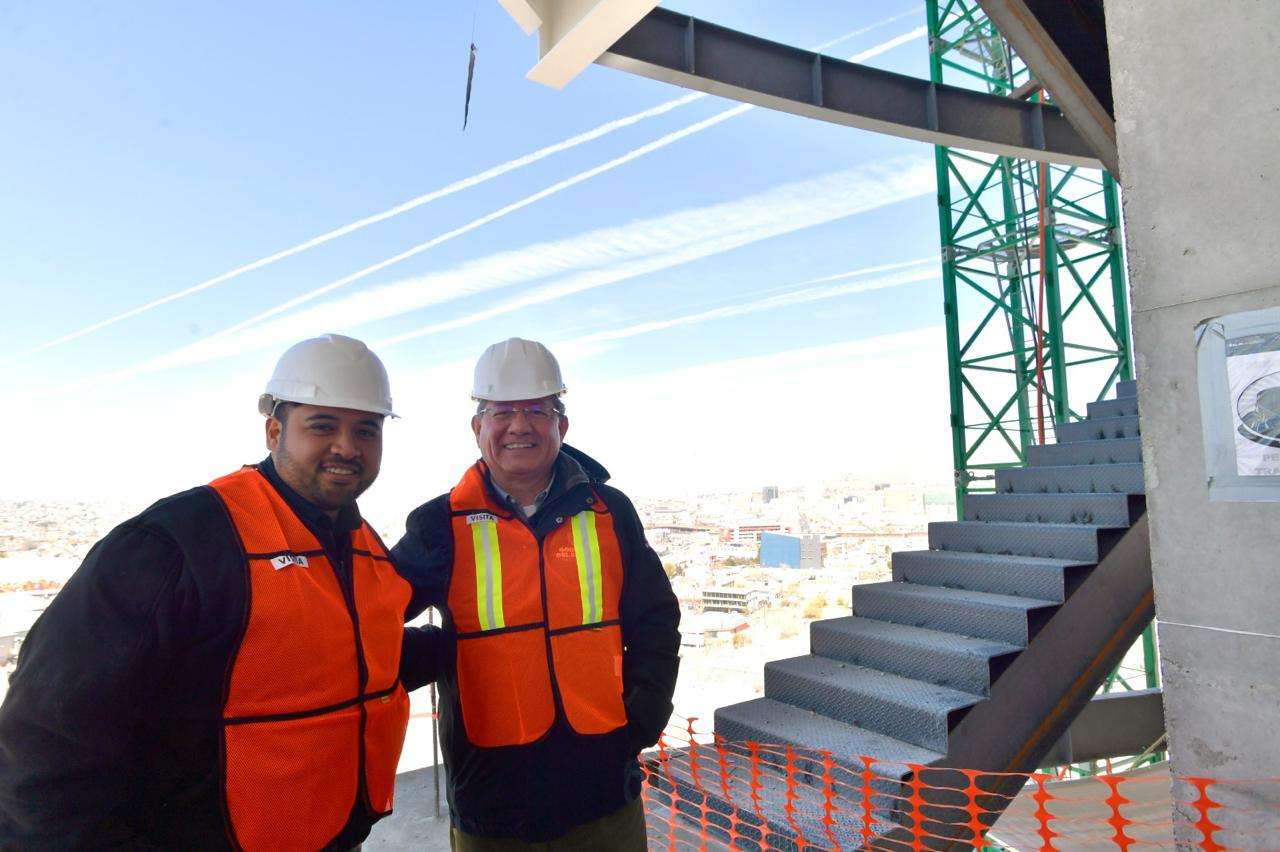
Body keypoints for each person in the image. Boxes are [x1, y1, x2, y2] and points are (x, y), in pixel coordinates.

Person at [0, 333, 438, 850]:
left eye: (366, 429)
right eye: (322, 425)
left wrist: (473, 646)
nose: (347, 446)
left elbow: (359, 657)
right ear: (274, 430)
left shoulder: (362, 546)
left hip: (334, 835)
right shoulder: (177, 544)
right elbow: (45, 741)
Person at [393, 337, 680, 849]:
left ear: (561, 426)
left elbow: (655, 620)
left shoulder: (609, 511)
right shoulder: (439, 525)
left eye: (536, 411)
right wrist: (439, 651)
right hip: (492, 810)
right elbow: (370, 622)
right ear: (477, 427)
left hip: (604, 799)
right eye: (502, 412)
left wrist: (642, 718)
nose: (519, 426)